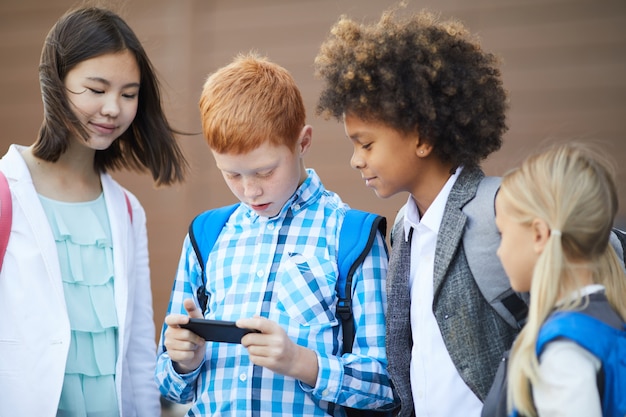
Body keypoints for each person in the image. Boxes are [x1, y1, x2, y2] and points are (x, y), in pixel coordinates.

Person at [155, 52, 395, 416]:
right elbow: (169, 386)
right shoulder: (206, 235)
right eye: (232, 175)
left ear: (303, 142)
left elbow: (388, 386)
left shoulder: (351, 237)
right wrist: (183, 361)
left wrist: (301, 362)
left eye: (265, 172)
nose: (250, 191)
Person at [314, 7, 523, 417]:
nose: (356, 160)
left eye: (366, 144)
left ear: (423, 137)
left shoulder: (499, 210)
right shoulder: (403, 231)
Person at [0, 6, 188, 416]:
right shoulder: (4, 191)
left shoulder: (127, 210)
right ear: (56, 81)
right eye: (96, 89)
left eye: (129, 94)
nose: (112, 109)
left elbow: (139, 350)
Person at [486, 142, 626, 417]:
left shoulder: (565, 348)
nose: (499, 250)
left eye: (502, 234)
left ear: (539, 234)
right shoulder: (604, 325)